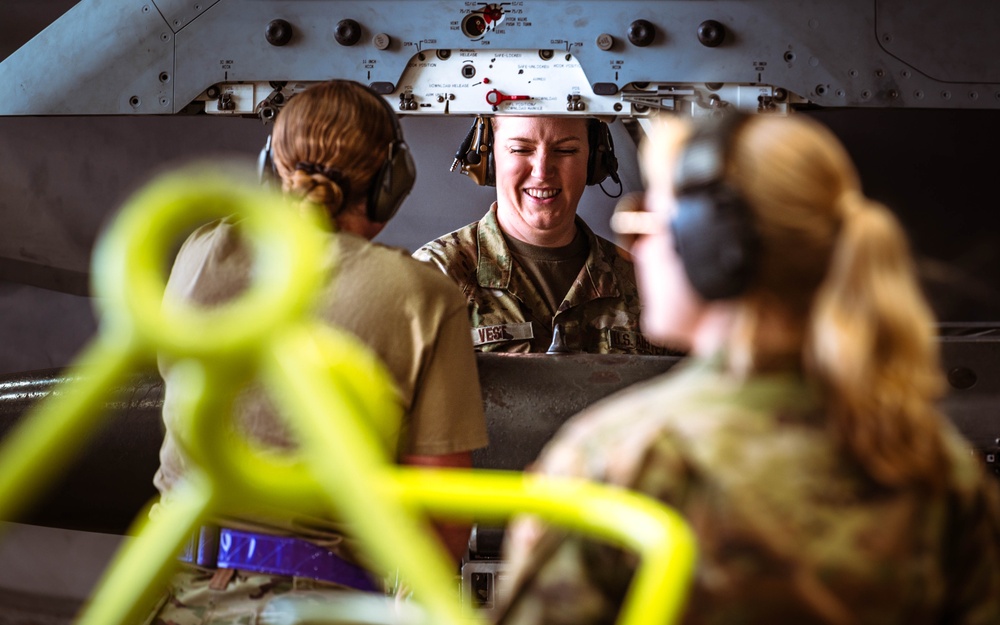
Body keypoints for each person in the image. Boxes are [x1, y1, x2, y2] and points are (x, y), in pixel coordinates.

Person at [494, 111, 1000, 624]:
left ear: (715, 249)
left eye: (650, 222)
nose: (638, 248)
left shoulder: (623, 458)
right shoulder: (932, 460)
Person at [146, 80, 488, 622]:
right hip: (314, 603)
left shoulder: (202, 249)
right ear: (391, 182)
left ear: (269, 169)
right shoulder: (421, 296)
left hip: (158, 585)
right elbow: (442, 515)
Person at [414, 115, 674, 355]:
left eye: (565, 150)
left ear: (593, 161)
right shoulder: (435, 276)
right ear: (489, 158)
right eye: (520, 149)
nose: (542, 171)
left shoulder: (648, 282)